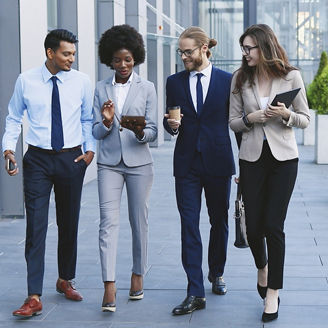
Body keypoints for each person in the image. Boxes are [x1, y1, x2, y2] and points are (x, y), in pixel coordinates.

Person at [2, 29, 96, 318]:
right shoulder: (26, 80)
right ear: (50, 53)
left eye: (73, 54)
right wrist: (8, 150)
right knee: (37, 226)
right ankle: (33, 295)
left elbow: (86, 117)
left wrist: (89, 151)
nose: (71, 59)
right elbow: (14, 116)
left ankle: (65, 279)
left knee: (69, 223)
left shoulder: (81, 81)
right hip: (38, 160)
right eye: (66, 54)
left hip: (71, 158)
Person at [229, 24, 310, 322]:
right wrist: (253, 117)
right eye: (243, 48)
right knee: (254, 229)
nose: (245, 53)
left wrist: (286, 115)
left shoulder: (291, 75)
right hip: (251, 158)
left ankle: (273, 291)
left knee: (274, 225)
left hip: (284, 160)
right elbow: (233, 122)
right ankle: (262, 267)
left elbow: (306, 118)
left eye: (249, 48)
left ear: (264, 47)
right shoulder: (240, 78)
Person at [163, 26, 235, 315]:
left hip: (218, 161)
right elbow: (171, 119)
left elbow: (237, 124)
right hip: (187, 164)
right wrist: (172, 125)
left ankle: (216, 272)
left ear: (205, 48)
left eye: (188, 52)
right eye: (181, 52)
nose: (183, 57)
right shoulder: (174, 82)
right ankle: (195, 291)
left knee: (219, 221)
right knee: (189, 224)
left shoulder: (228, 81)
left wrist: (245, 165)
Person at [92, 24, 157, 313]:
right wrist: (106, 121)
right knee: (108, 223)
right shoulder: (100, 88)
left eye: (128, 59)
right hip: (108, 164)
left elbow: (155, 129)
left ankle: (138, 274)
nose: (122, 65)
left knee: (138, 221)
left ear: (136, 58)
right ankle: (109, 285)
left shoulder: (148, 88)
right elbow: (96, 131)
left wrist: (141, 132)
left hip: (139, 163)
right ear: (109, 59)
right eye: (117, 60)